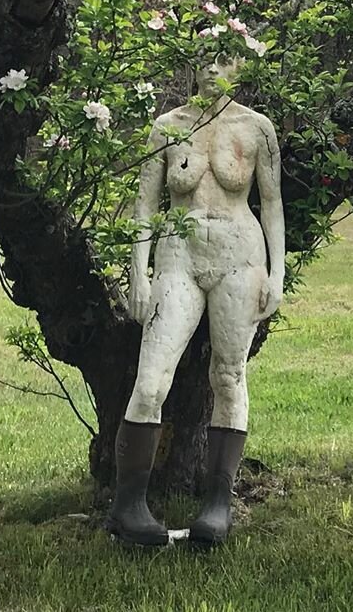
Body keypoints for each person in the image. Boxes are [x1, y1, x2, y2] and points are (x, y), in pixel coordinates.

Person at [105, 55, 285, 547]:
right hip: (177, 258)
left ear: (242, 67)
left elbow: (270, 201)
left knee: (228, 375)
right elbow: (145, 203)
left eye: (225, 60)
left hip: (239, 258)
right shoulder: (167, 127)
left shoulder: (256, 128)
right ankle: (129, 506)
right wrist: (138, 275)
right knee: (150, 381)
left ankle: (217, 507)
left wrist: (277, 270)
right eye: (204, 60)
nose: (213, 70)